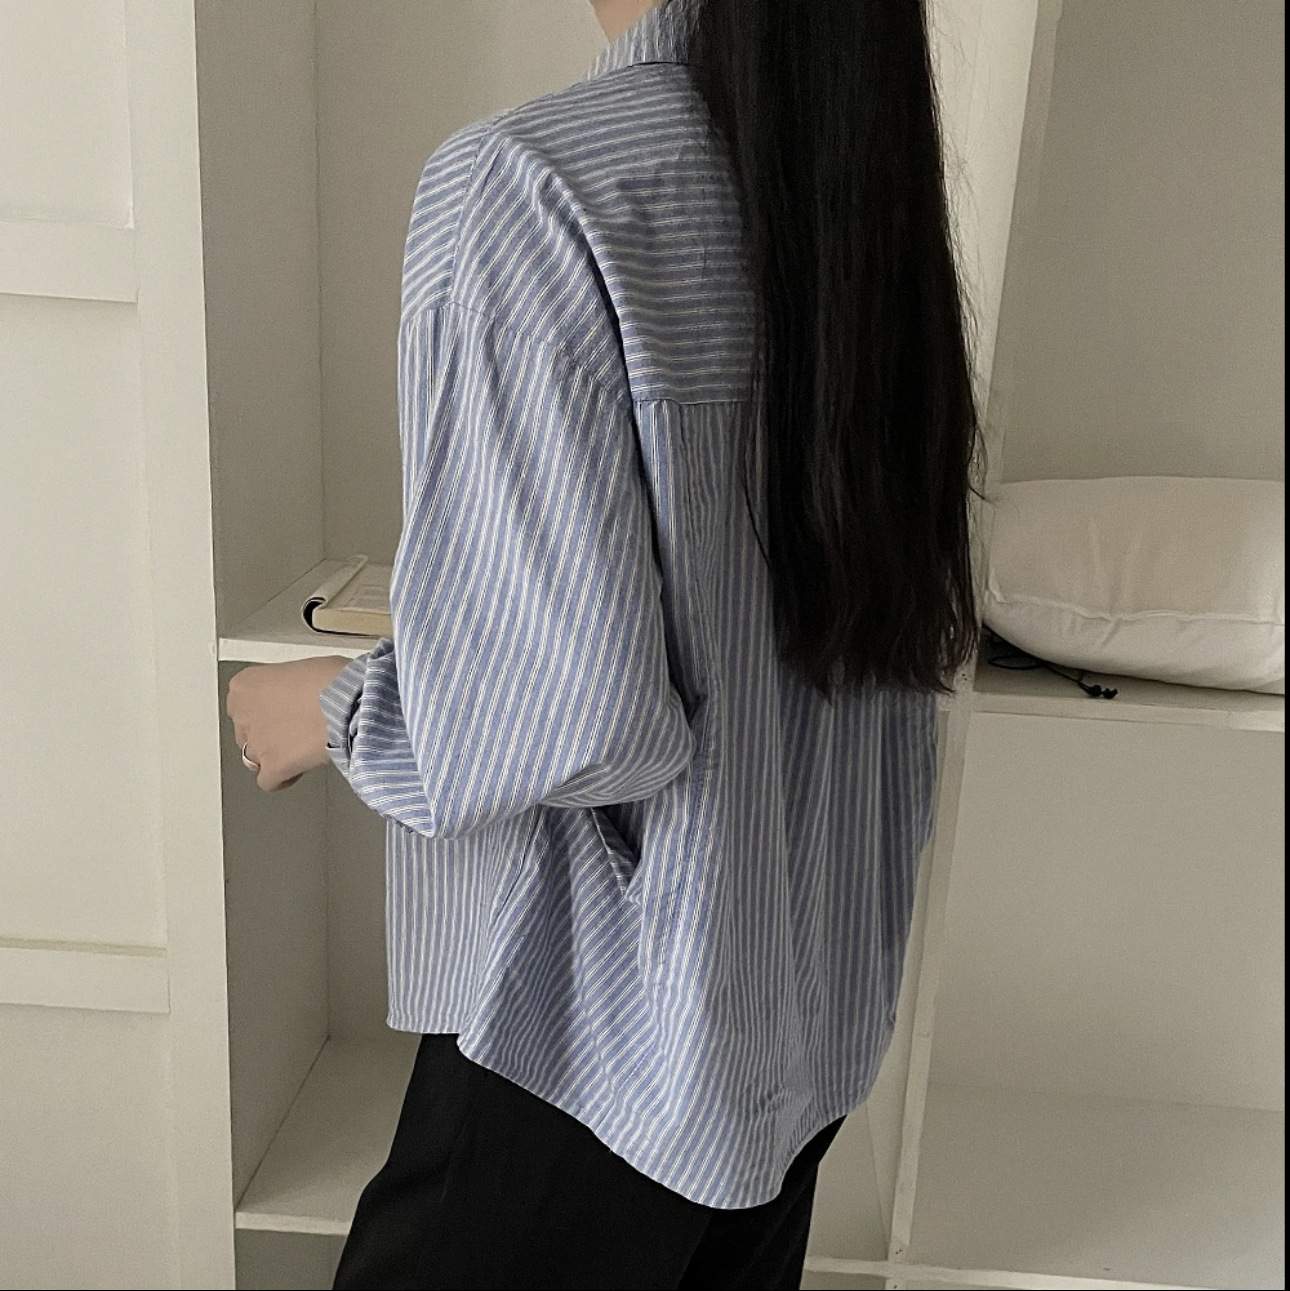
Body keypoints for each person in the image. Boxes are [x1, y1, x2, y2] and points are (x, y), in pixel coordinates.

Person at [225, 0, 983, 1285]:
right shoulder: (857, 181)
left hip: (597, 1047)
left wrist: (334, 708)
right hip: (795, 1038)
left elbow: (570, 716)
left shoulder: (538, 184)